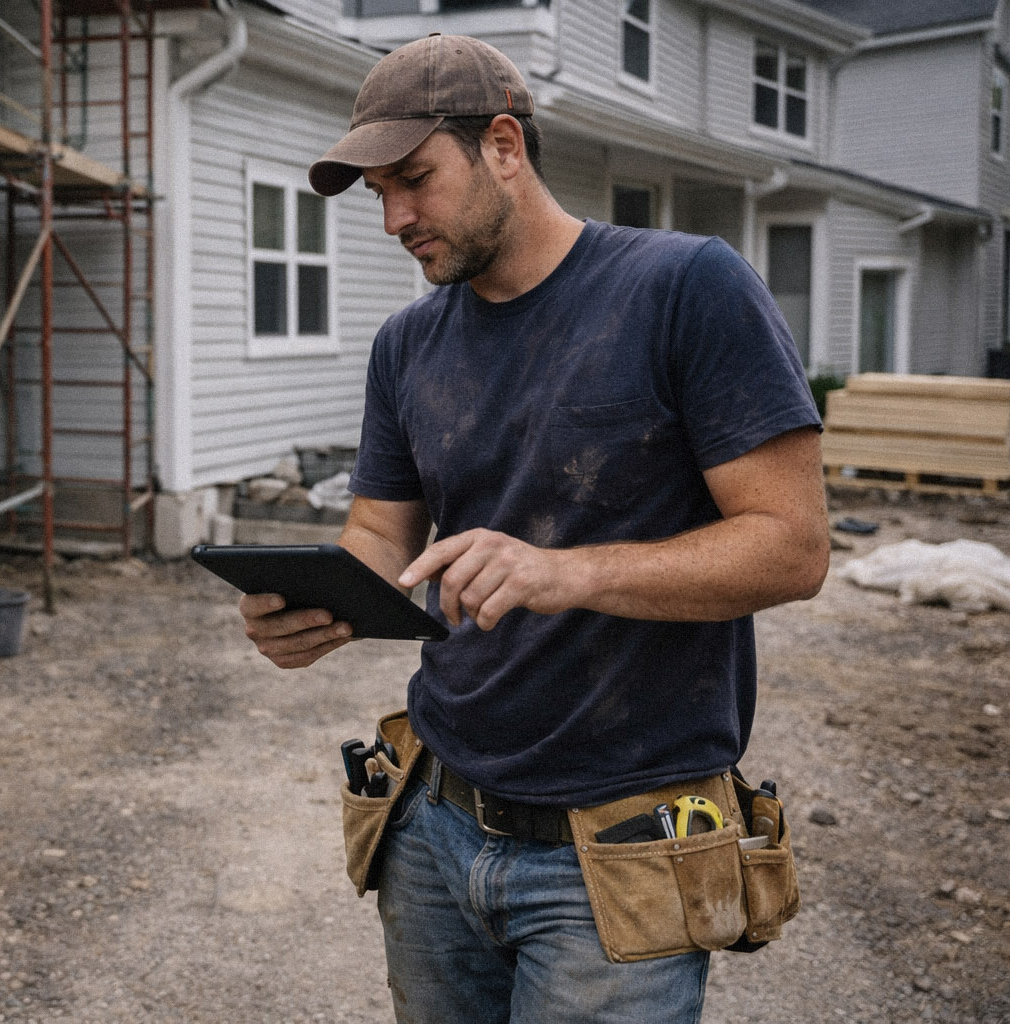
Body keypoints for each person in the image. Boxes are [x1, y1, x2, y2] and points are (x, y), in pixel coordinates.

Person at [235, 33, 830, 1024]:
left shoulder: (685, 287)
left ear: (504, 146)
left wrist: (564, 573)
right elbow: (381, 534)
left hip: (626, 840)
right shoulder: (407, 344)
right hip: (435, 816)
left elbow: (794, 545)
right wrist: (314, 603)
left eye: (414, 180)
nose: (393, 218)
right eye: (379, 192)